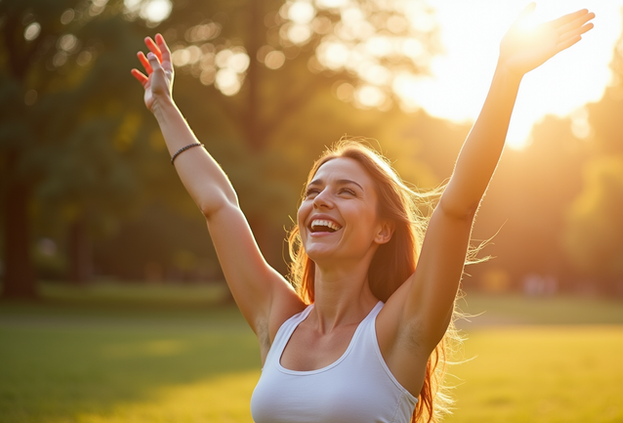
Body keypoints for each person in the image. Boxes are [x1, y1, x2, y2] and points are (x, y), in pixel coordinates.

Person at [131, 5, 594, 422]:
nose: (321, 200)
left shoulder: (401, 329)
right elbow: (219, 204)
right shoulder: (278, 321)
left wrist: (507, 75)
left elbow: (457, 207)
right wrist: (164, 106)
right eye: (313, 190)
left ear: (383, 230)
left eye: (346, 191)